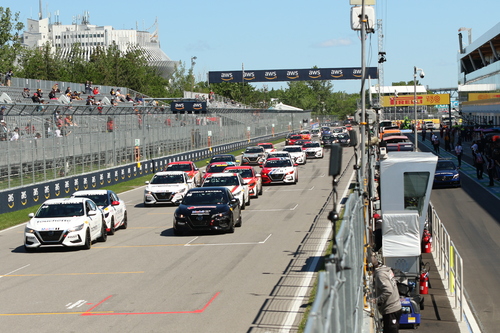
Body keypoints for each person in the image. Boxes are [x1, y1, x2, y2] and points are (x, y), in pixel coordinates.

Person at [371, 257, 402, 333]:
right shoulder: (386, 270)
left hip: (391, 309)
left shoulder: (380, 275)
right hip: (395, 307)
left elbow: (388, 291)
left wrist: (377, 300)